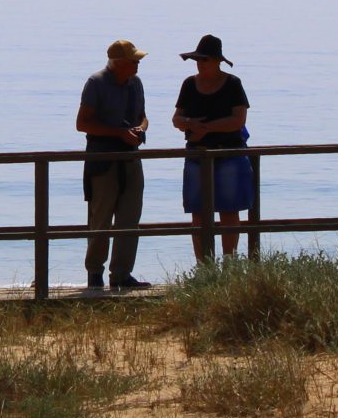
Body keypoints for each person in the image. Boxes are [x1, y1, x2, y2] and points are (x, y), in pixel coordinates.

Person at [76, 39, 153, 293]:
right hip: (103, 159)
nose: (138, 65)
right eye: (134, 61)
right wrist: (118, 133)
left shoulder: (136, 83)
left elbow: (143, 116)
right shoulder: (96, 83)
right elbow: (83, 123)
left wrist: (139, 129)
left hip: (130, 157)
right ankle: (95, 274)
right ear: (119, 63)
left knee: (130, 218)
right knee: (101, 218)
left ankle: (121, 274)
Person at [172, 34, 251, 263]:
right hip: (197, 155)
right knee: (198, 213)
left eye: (205, 59)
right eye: (198, 59)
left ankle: (229, 264)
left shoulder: (233, 84)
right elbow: (176, 118)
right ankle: (204, 266)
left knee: (229, 210)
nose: (200, 64)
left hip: (228, 154)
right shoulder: (189, 84)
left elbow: (238, 120)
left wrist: (206, 127)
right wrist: (189, 124)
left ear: (217, 60)